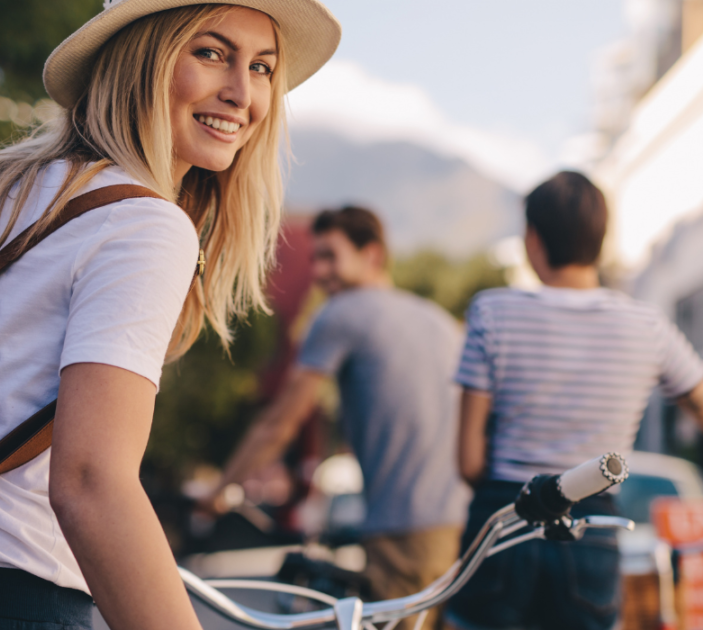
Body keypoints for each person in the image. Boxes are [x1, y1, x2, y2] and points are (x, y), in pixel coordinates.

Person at [0, 1, 340, 629]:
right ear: (141, 59)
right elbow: (91, 483)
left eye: (261, 68)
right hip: (8, 599)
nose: (241, 94)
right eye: (210, 53)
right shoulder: (147, 225)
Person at [446, 171, 703, 630]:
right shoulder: (648, 326)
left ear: (532, 239)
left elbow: (467, 462)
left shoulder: (492, 312)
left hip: (504, 522)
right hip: (591, 526)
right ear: (601, 242)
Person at [204, 206, 471, 630]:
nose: (319, 271)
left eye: (331, 256)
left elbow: (280, 422)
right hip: (462, 527)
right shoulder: (437, 319)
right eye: (315, 258)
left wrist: (218, 492)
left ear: (373, 255)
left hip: (405, 531)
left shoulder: (340, 313)